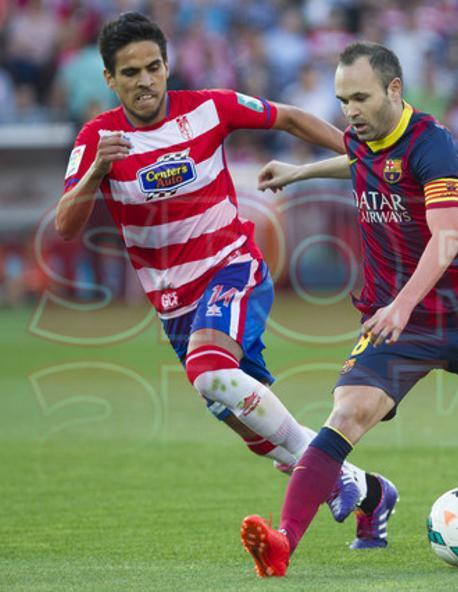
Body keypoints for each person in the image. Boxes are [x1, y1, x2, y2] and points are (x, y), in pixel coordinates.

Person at [240, 41, 458, 577]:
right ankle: (283, 541)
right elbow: (358, 161)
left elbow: (446, 239)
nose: (349, 111)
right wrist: (299, 172)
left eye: (359, 97)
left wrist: (403, 305)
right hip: (396, 323)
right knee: (346, 414)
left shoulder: (435, 147)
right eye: (342, 100)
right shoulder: (363, 137)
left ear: (394, 90)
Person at [54, 13, 395, 548]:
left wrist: (361, 155)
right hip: (175, 307)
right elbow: (66, 226)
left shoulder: (208, 108)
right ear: (109, 80)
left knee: (209, 372)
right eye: (130, 72)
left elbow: (287, 117)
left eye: (153, 67)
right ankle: (366, 489)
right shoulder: (98, 138)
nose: (145, 81)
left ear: (167, 67)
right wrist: (96, 171)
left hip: (232, 268)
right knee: (250, 426)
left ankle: (337, 484)